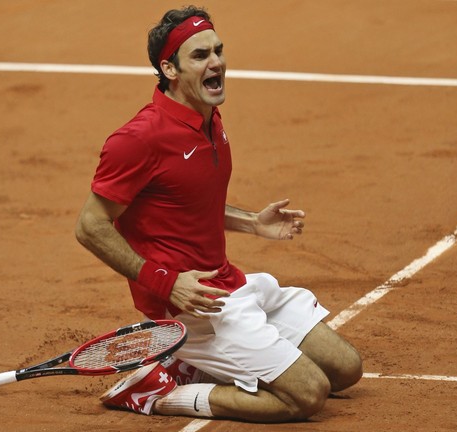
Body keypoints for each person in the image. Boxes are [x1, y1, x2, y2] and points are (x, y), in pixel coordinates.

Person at [75, 5, 362, 423]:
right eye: (200, 55)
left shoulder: (208, 119)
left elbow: (186, 202)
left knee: (345, 369)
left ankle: (190, 363)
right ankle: (156, 395)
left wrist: (251, 222)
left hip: (230, 285)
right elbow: (90, 226)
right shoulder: (139, 138)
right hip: (191, 309)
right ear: (169, 69)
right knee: (308, 394)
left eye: (218, 50)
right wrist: (166, 284)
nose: (217, 63)